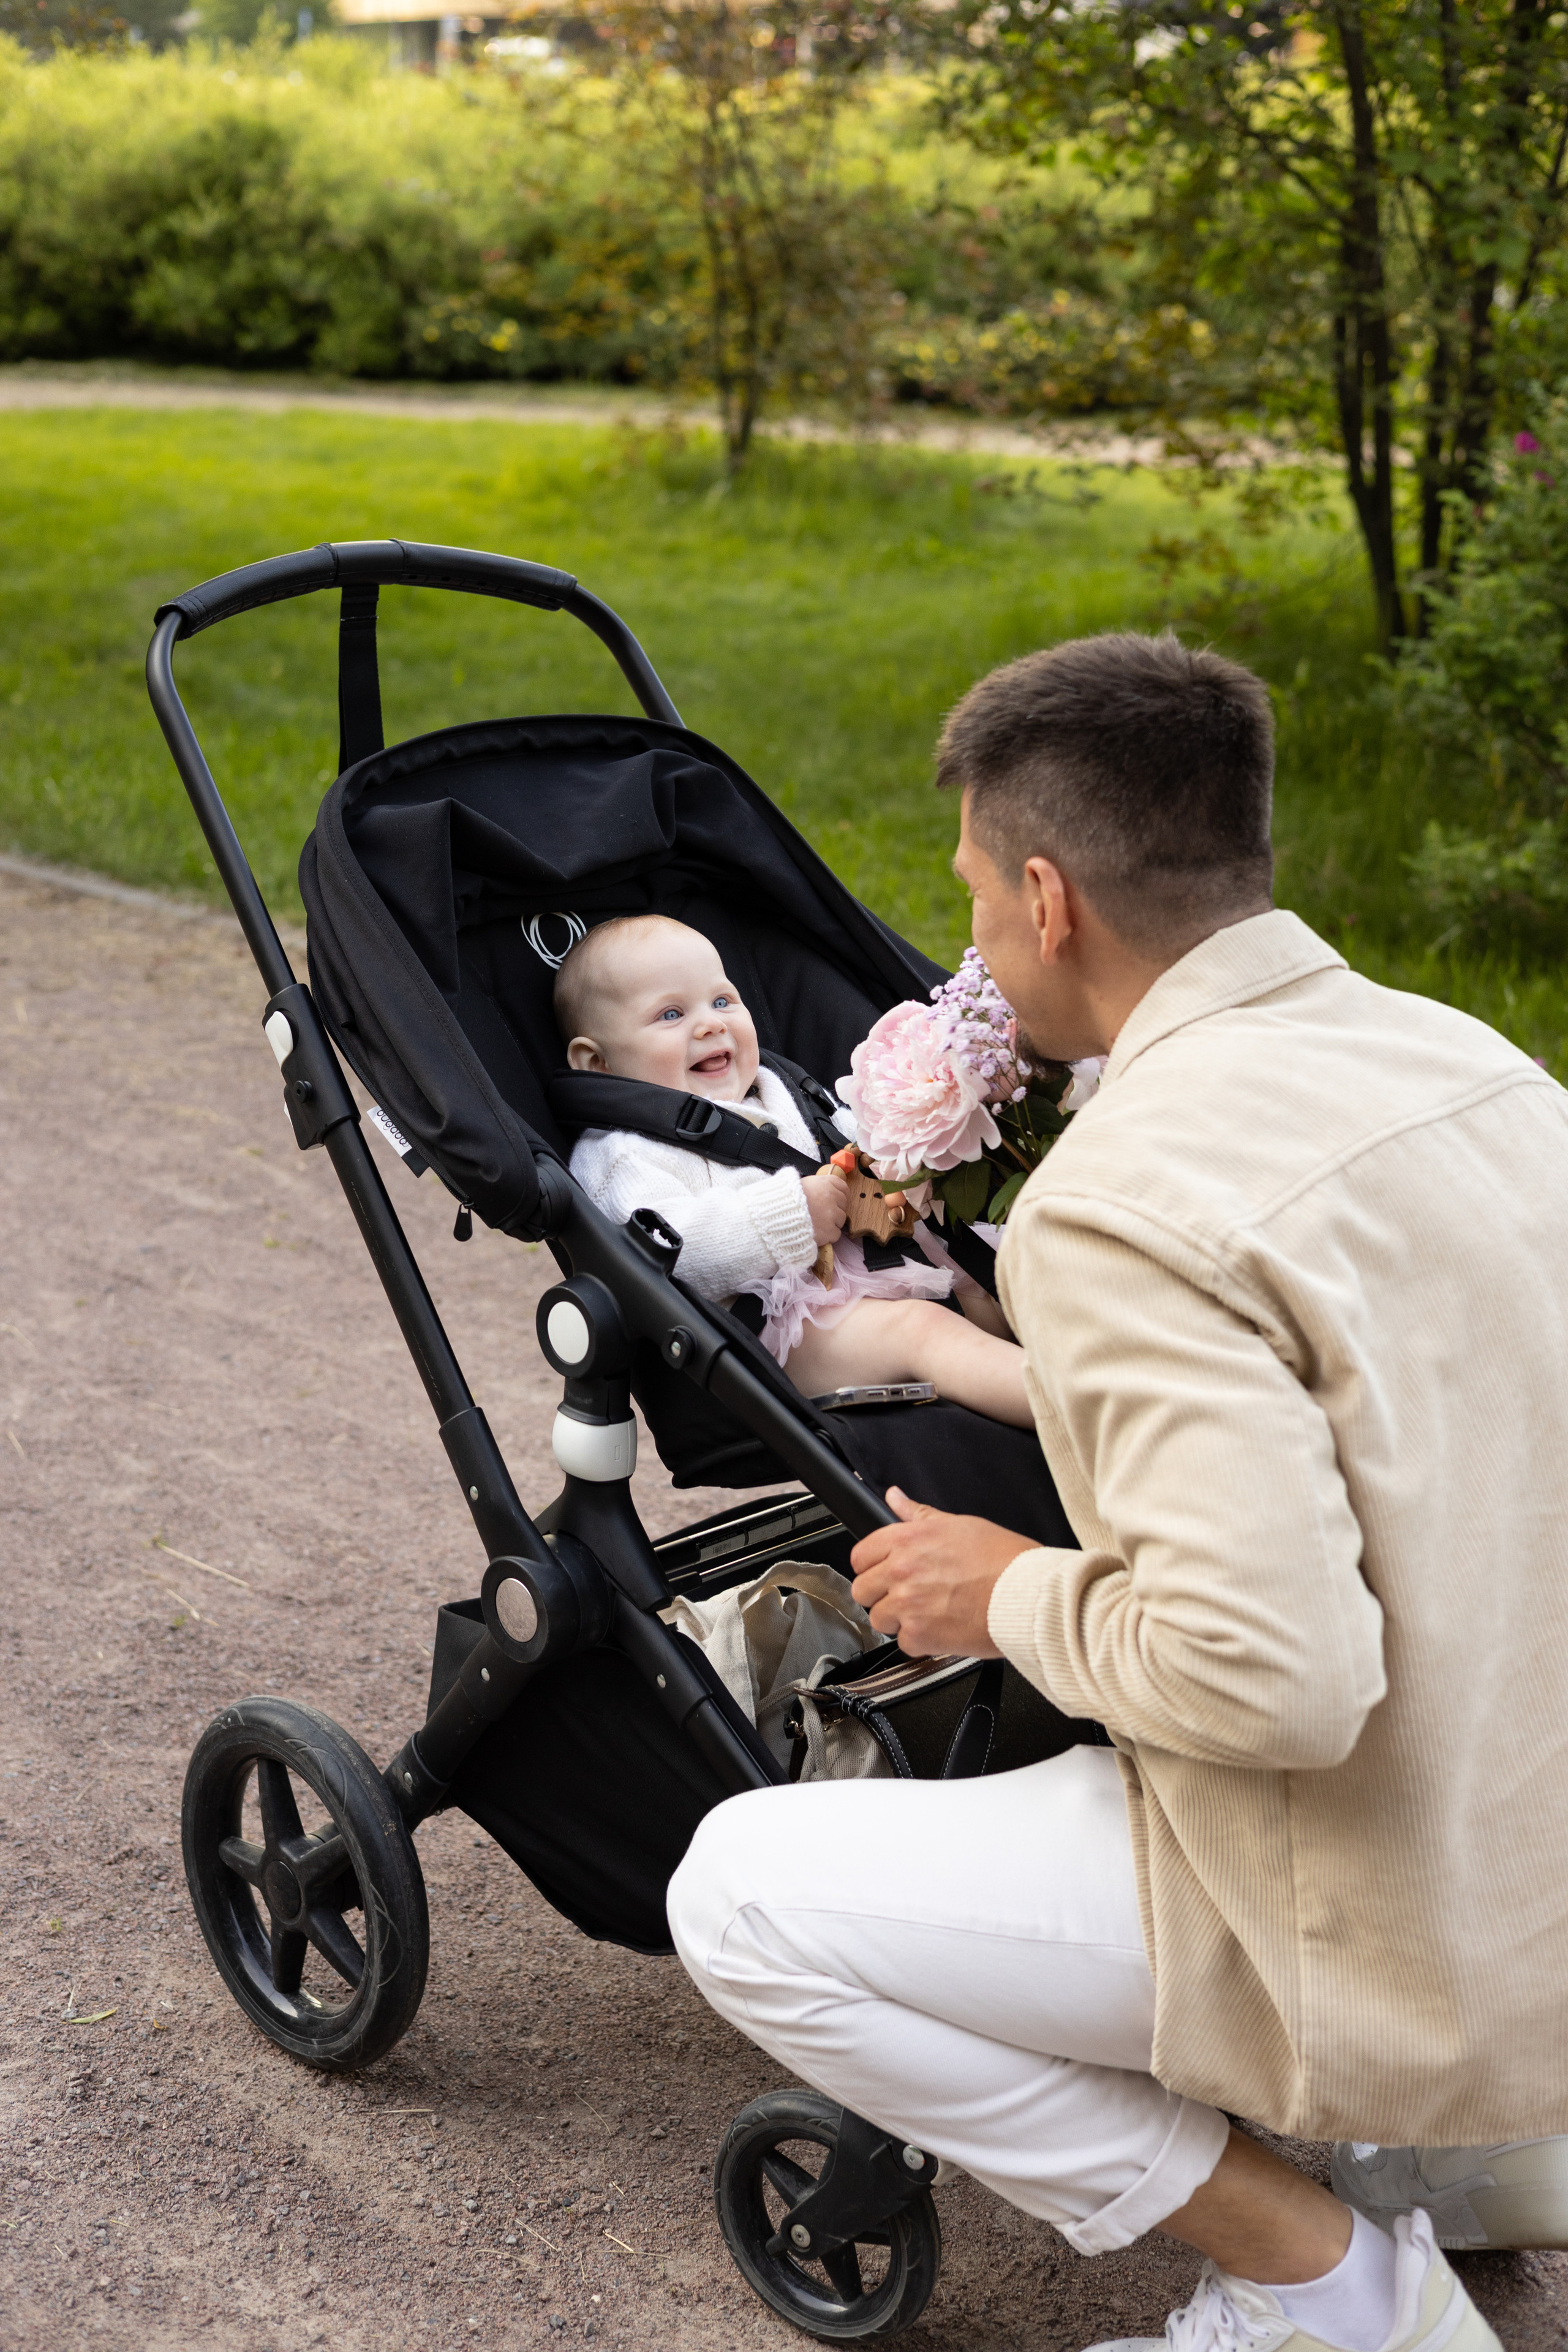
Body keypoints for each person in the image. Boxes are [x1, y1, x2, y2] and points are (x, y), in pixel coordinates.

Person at [666, 629, 1568, 2352]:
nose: (974, 946)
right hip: (1537, 1851)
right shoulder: (1480, 1065)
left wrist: (1002, 1587)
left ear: (1048, 897)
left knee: (743, 1898)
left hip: (1387, 1905)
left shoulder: (1125, 1200)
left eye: (977, 903)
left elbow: (1270, 1677)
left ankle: (1334, 2290)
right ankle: (1480, 2158)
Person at [554, 911, 1033, 1426]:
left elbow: (862, 1138)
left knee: (1004, 1271)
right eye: (671, 1015)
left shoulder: (783, 1088)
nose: (712, 1023)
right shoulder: (622, 1153)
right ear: (597, 1064)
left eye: (722, 1001)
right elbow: (666, 1256)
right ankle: (1079, 1413)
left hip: (882, 1268)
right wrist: (789, 1215)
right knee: (921, 1331)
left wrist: (903, 1168)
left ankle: (1094, 1370)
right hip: (776, 1328)